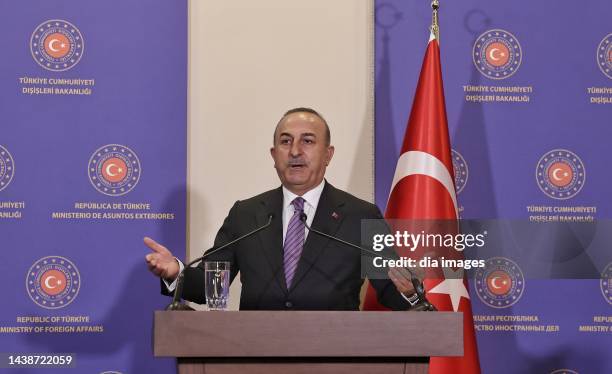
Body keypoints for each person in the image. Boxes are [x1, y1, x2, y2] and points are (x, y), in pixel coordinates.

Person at [144, 107, 417, 310]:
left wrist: (411, 291)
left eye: (307, 141)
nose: (295, 151)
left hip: (334, 356)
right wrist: (176, 271)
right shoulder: (247, 214)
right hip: (254, 356)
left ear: (328, 154)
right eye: (285, 142)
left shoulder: (360, 215)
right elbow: (212, 285)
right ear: (274, 155)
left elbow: (390, 287)